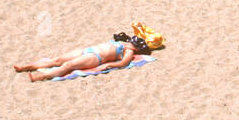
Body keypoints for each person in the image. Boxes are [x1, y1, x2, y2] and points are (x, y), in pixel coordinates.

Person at [14, 34, 149, 81]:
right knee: (58, 60)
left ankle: (41, 76)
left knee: (68, 66)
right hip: (87, 50)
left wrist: (108, 65)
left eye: (135, 43)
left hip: (96, 57)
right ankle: (28, 66)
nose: (132, 42)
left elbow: (123, 63)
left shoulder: (129, 52)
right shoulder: (123, 42)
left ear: (137, 48)